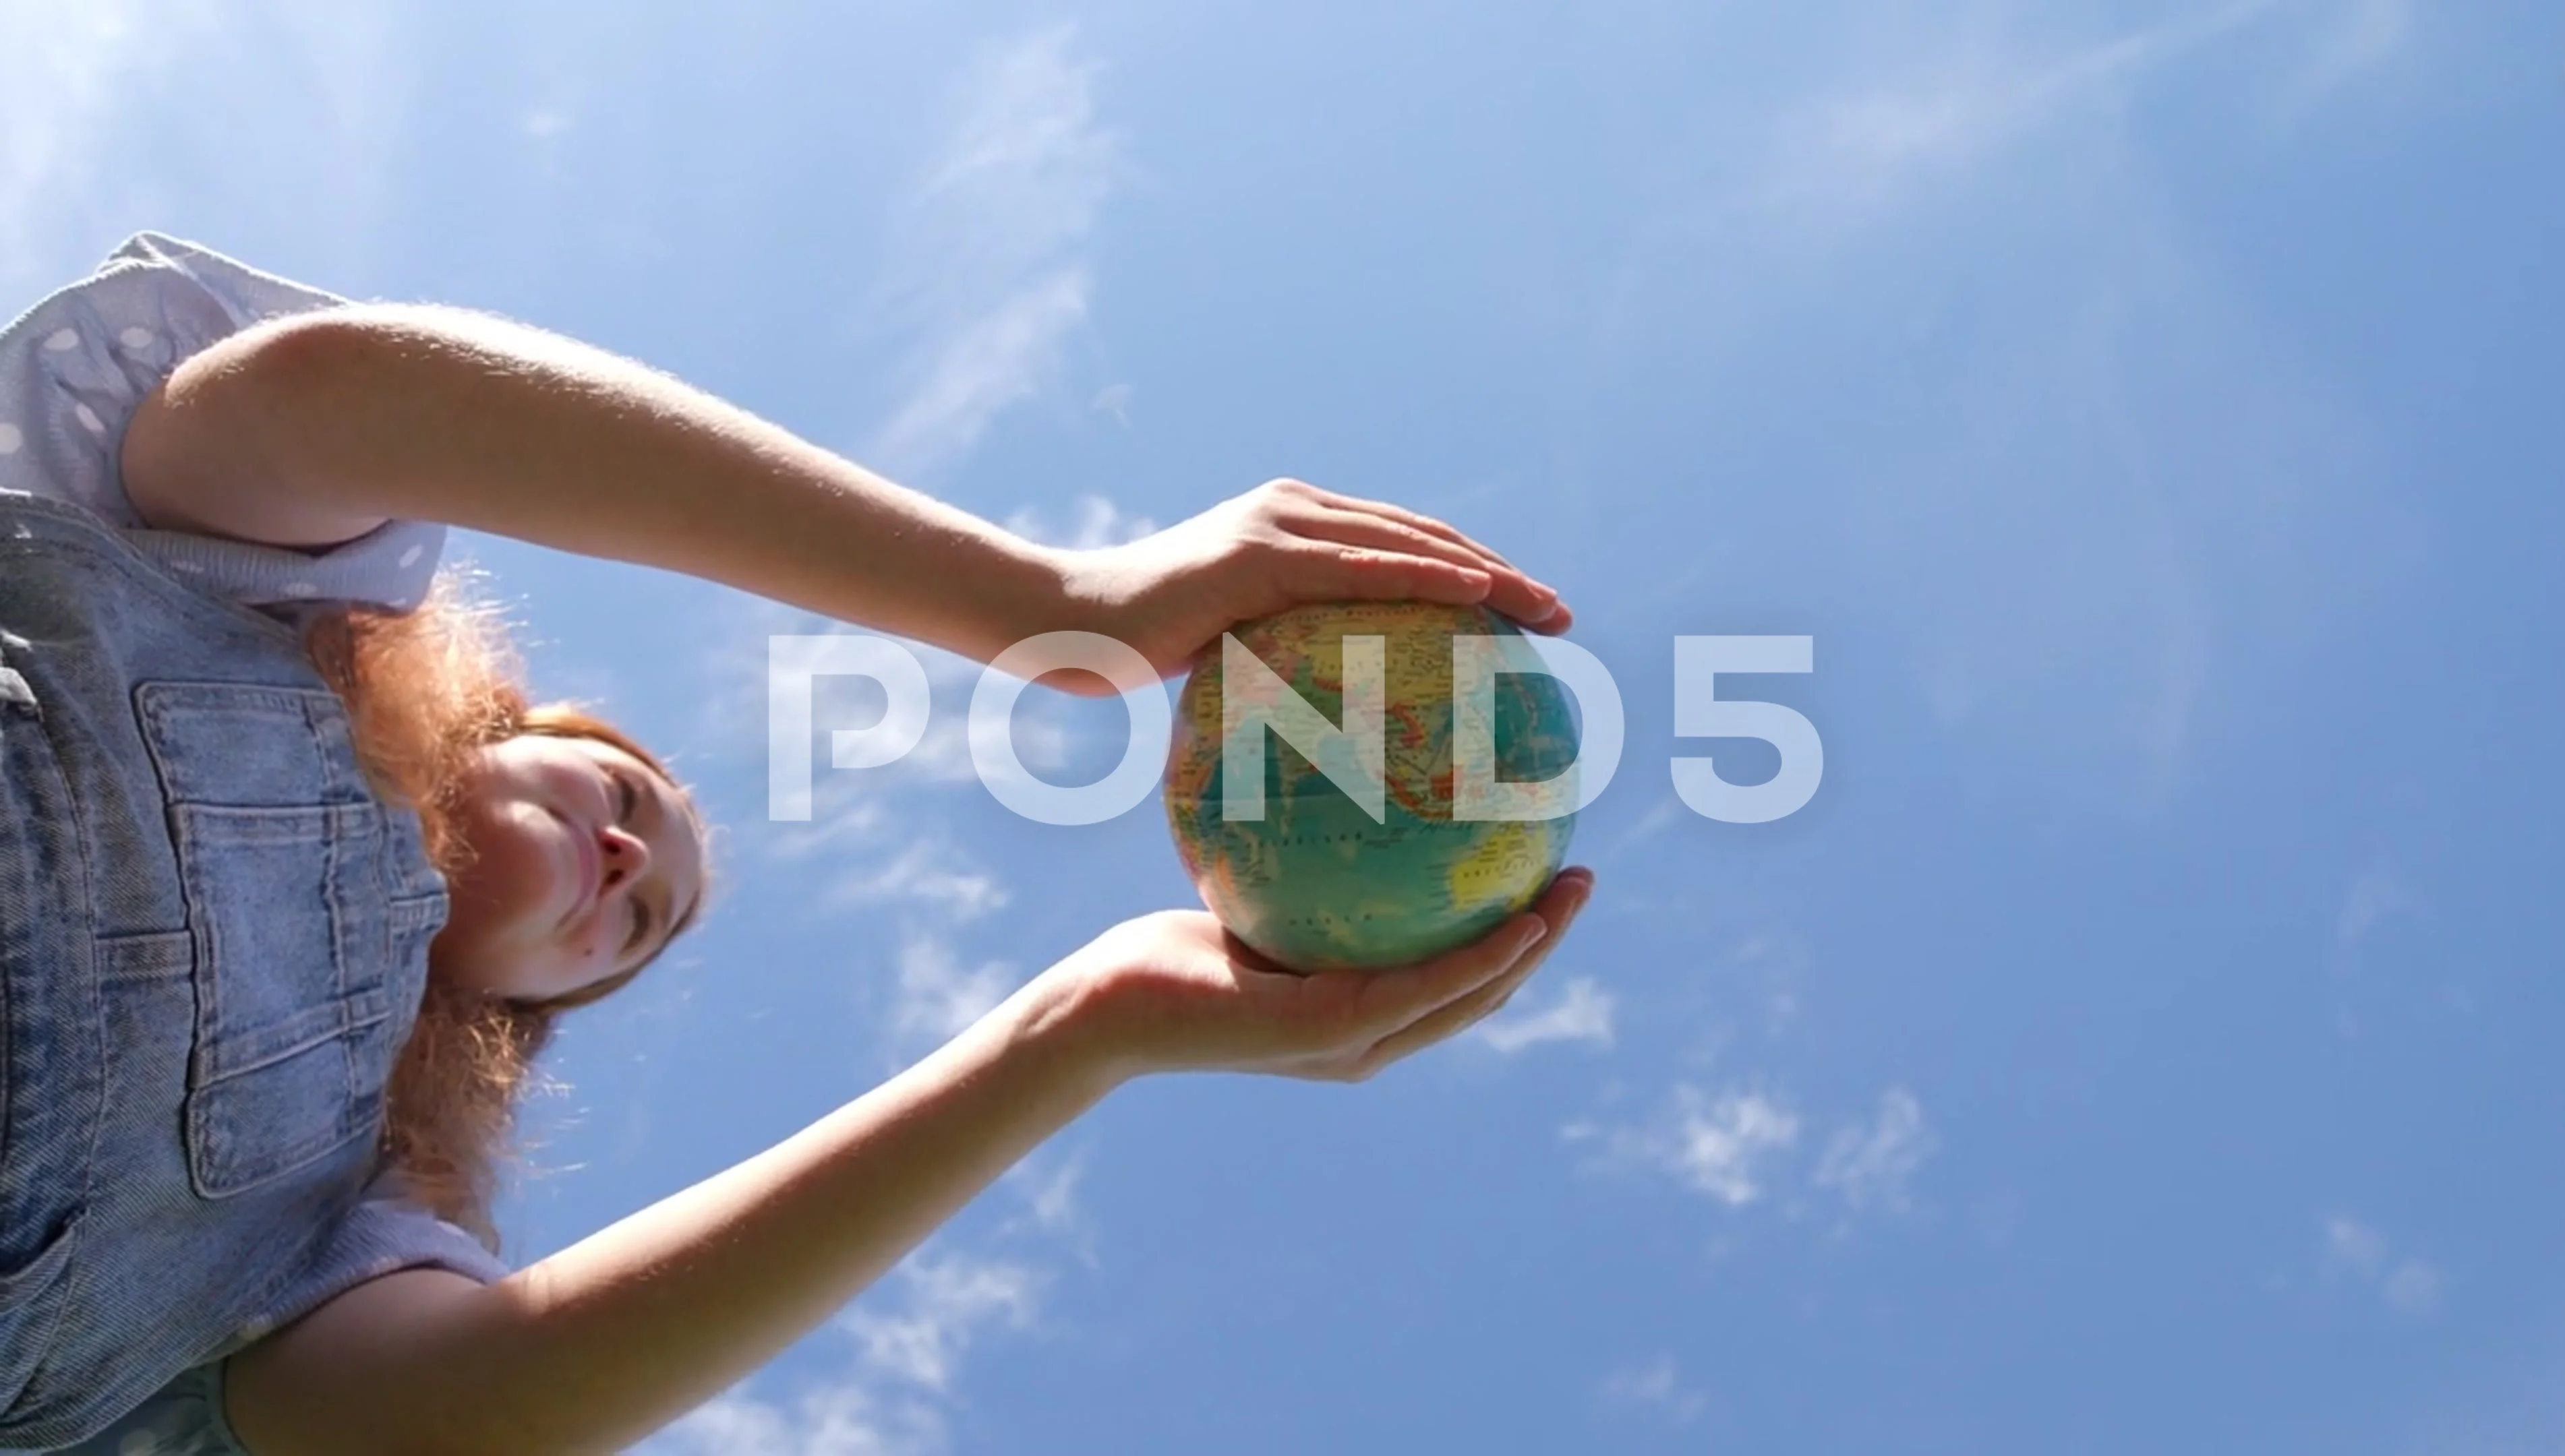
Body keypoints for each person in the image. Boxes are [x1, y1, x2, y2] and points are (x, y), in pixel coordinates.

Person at [0, 233, 1593, 1453]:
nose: (629, 865)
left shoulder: (340, 1223)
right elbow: (323, 397)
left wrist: (1080, 1031)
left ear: (510, 1023)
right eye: (629, 800)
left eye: (633, 931)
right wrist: (1048, 608)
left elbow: (453, 1420)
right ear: (509, 720)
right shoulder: (256, 601)